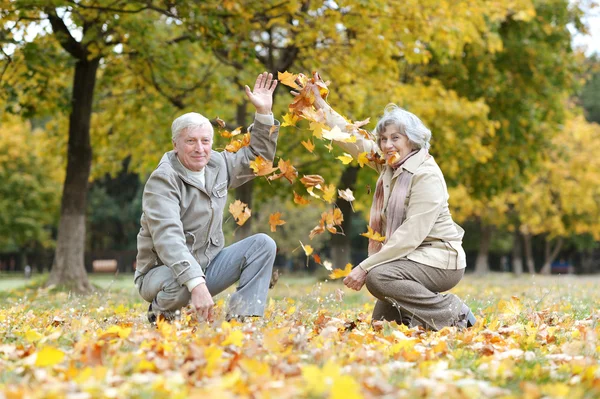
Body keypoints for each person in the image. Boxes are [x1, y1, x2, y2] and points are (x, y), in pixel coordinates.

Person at [299, 74, 476, 330]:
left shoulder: (426, 174)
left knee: (379, 277)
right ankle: (419, 321)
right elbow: (351, 138)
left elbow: (410, 235)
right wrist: (319, 105)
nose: (387, 145)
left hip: (440, 260)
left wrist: (365, 266)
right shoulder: (389, 165)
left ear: (412, 141)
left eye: (396, 138)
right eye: (383, 139)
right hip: (412, 257)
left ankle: (454, 313)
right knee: (383, 326)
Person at [135, 72, 279, 324]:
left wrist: (264, 114)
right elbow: (168, 238)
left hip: (208, 263)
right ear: (175, 144)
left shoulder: (217, 164)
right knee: (181, 283)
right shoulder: (163, 180)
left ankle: (243, 320)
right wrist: (196, 283)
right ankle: (161, 315)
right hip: (162, 273)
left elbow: (260, 161)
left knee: (263, 244)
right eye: (190, 141)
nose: (199, 149)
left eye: (205, 141)